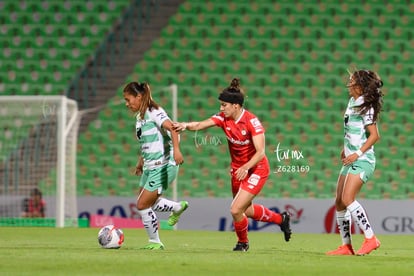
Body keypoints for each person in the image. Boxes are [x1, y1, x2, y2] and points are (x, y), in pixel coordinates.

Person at [173, 78, 292, 251]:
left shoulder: (252, 122)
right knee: (246, 210)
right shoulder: (223, 118)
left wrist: (245, 167)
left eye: (224, 105)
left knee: (236, 210)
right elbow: (200, 124)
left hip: (256, 168)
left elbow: (261, 152)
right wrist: (184, 125)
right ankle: (281, 220)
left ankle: (243, 243)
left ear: (235, 105)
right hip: (238, 170)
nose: (221, 109)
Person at [123, 81, 189, 250]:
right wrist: (140, 162)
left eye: (128, 99)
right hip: (149, 165)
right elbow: (147, 142)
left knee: (142, 205)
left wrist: (177, 151)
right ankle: (176, 207)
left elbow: (173, 128)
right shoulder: (140, 117)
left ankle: (155, 242)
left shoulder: (154, 112)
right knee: (145, 202)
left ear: (139, 96)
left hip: (163, 165)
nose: (127, 103)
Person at [326, 69, 383, 256]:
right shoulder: (352, 102)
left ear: (360, 85)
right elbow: (353, 130)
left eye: (351, 81)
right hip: (351, 158)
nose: (348, 84)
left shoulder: (367, 106)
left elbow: (375, 136)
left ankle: (371, 238)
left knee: (348, 199)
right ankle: (346, 246)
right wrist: (347, 148)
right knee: (339, 202)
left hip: (363, 160)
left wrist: (357, 153)